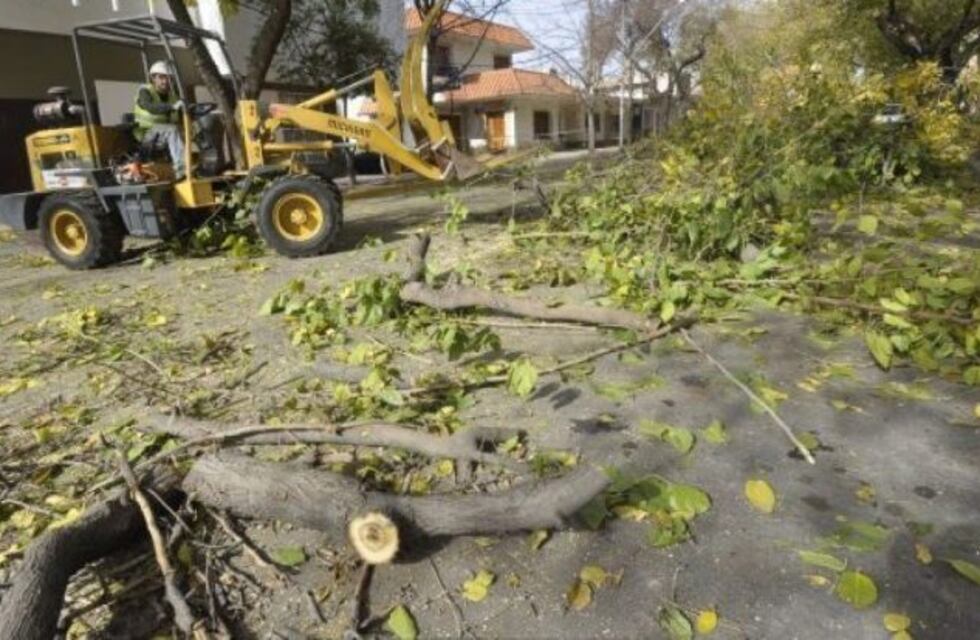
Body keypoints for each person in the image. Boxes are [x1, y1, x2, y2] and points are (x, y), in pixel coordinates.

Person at [133, 61, 187, 178]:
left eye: (169, 78)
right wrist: (171, 107)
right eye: (161, 77)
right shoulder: (145, 92)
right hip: (147, 134)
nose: (165, 81)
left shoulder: (173, 97)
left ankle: (202, 166)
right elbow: (150, 107)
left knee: (192, 128)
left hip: (164, 134)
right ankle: (181, 170)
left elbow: (182, 114)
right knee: (172, 130)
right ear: (153, 78)